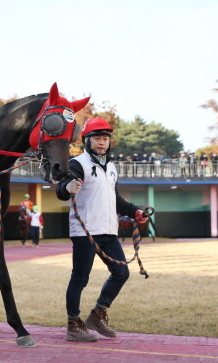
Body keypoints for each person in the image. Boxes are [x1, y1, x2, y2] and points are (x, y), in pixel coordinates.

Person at [56, 117, 149, 342]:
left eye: (105, 138)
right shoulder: (78, 164)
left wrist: (135, 211)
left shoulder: (112, 167)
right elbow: (61, 189)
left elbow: (115, 200)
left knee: (121, 273)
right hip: (84, 231)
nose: (101, 142)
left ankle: (98, 314)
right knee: (80, 278)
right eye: (97, 138)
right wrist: (67, 187)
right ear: (87, 140)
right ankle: (73, 324)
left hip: (108, 231)